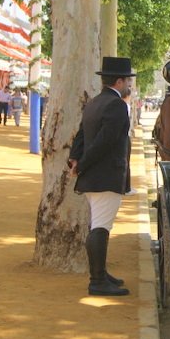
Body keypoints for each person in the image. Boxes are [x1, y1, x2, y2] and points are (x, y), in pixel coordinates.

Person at [68, 57, 135, 296]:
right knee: (101, 227)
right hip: (105, 175)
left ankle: (101, 274)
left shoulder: (96, 102)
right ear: (119, 81)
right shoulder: (116, 106)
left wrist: (75, 159)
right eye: (127, 80)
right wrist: (82, 164)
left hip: (94, 175)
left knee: (99, 224)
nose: (129, 84)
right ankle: (97, 281)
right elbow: (104, 142)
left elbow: (81, 135)